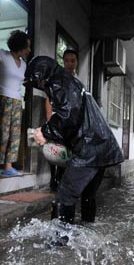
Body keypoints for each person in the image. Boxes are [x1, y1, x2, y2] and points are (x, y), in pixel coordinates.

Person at [26, 56, 124, 232]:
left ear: (43, 76)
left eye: (38, 82)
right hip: (102, 145)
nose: (39, 87)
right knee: (88, 195)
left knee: (65, 195)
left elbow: (69, 115)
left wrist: (45, 132)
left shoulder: (59, 82)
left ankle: (57, 242)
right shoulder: (70, 82)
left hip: (89, 149)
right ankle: (88, 233)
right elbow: (74, 117)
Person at [0, 30, 31, 177]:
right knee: (1, 133)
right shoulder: (2, 54)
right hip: (2, 98)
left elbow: (25, 82)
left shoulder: (23, 65)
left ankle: (8, 166)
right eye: (27, 47)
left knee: (14, 134)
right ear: (19, 46)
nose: (29, 50)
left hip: (17, 100)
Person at [45, 49, 79, 191]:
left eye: (72, 61)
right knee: (54, 149)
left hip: (71, 122)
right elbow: (48, 99)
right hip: (57, 119)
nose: (69, 64)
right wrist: (49, 119)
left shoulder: (77, 82)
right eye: (66, 61)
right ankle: (53, 179)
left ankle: (61, 179)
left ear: (77, 62)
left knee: (67, 151)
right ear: (63, 62)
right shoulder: (57, 78)